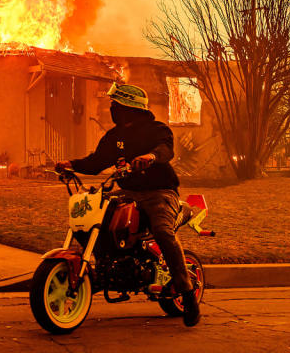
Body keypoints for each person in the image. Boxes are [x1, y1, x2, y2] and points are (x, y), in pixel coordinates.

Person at [55, 82, 200, 327]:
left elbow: (165, 150)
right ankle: (106, 267)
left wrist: (151, 157)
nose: (112, 109)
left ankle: (187, 293)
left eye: (116, 105)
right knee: (96, 219)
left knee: (164, 233)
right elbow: (97, 162)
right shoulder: (114, 137)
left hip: (159, 192)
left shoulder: (157, 129)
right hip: (128, 192)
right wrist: (71, 164)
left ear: (129, 108)